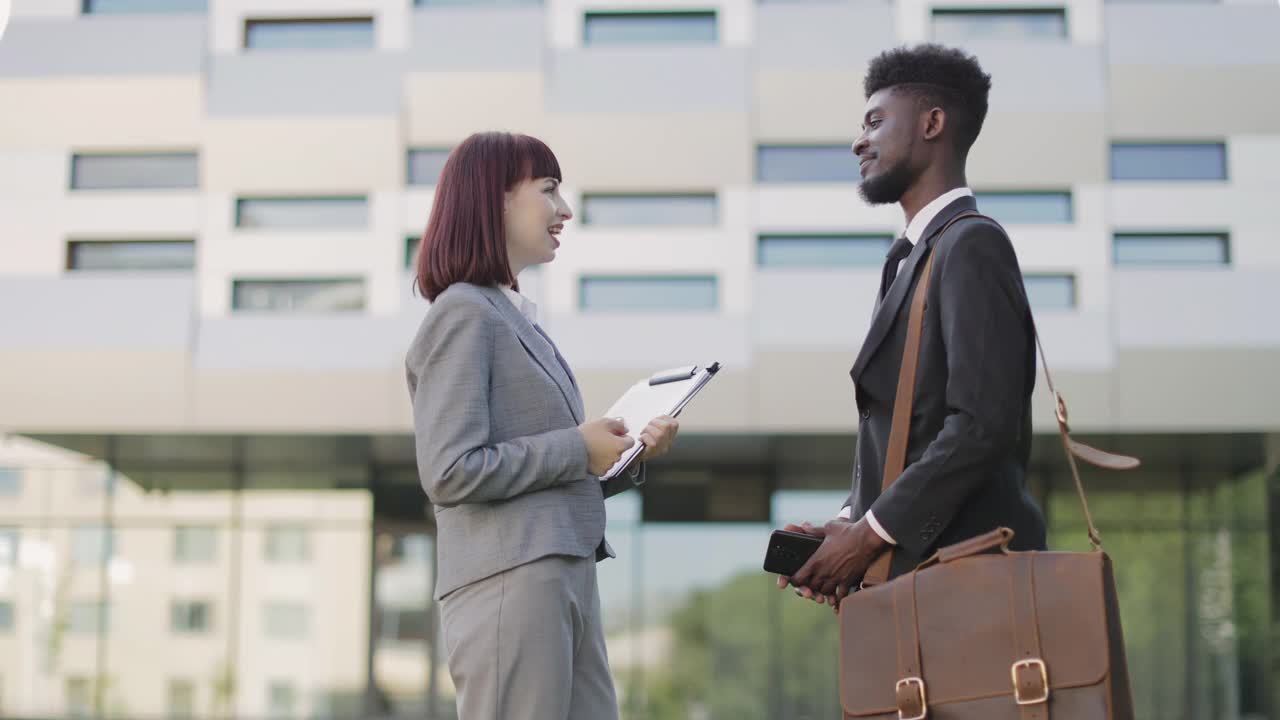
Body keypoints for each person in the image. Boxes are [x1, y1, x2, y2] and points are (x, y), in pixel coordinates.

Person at [406, 131, 680, 719]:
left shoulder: (513, 319)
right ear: (495, 199)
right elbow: (450, 471)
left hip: (559, 575)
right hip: (511, 579)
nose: (565, 210)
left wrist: (622, 458)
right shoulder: (463, 312)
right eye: (549, 189)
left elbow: (545, 467)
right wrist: (576, 448)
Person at [779, 44, 1047, 609]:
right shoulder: (912, 255)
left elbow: (981, 425)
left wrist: (871, 535)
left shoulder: (971, 243)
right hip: (923, 582)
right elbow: (907, 428)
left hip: (971, 585)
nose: (859, 140)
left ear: (932, 123)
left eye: (875, 121)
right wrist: (849, 521)